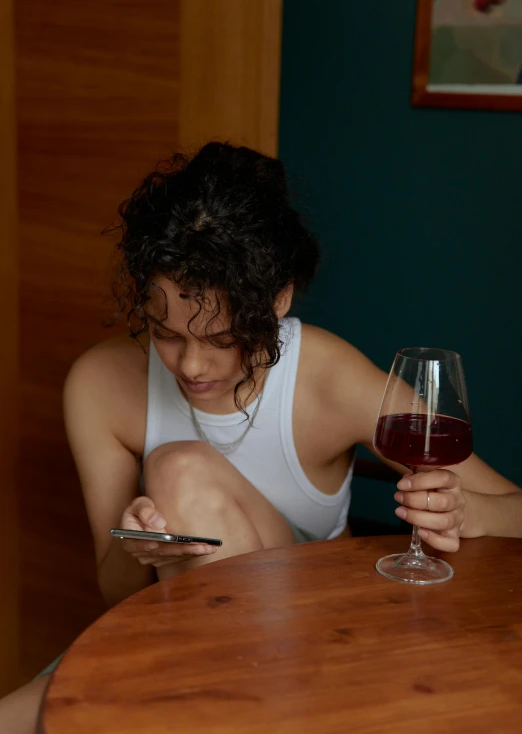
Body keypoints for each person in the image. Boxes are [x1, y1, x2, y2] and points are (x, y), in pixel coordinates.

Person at [2, 142, 521, 732]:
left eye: (222, 339)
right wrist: (139, 551)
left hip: (306, 651)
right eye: (165, 333)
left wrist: (465, 511)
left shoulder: (332, 381)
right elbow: (117, 600)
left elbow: (515, 510)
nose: (192, 366)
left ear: (276, 302)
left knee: (179, 469)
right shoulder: (99, 386)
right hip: (174, 641)